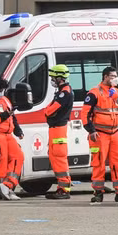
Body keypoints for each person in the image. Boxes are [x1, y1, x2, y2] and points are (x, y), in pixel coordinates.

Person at [81, 66, 118, 203]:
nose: (115, 78)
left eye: (115, 76)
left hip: (115, 132)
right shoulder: (94, 93)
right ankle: (98, 192)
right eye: (112, 76)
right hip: (99, 134)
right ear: (105, 77)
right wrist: (91, 130)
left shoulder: (116, 92)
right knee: (98, 163)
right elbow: (85, 113)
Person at [44, 64, 74, 199]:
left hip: (58, 129)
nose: (52, 80)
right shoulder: (62, 91)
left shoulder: (64, 93)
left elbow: (50, 110)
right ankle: (61, 187)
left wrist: (46, 111)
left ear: (60, 78)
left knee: (59, 158)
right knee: (54, 157)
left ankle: (64, 189)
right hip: (55, 129)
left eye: (53, 77)